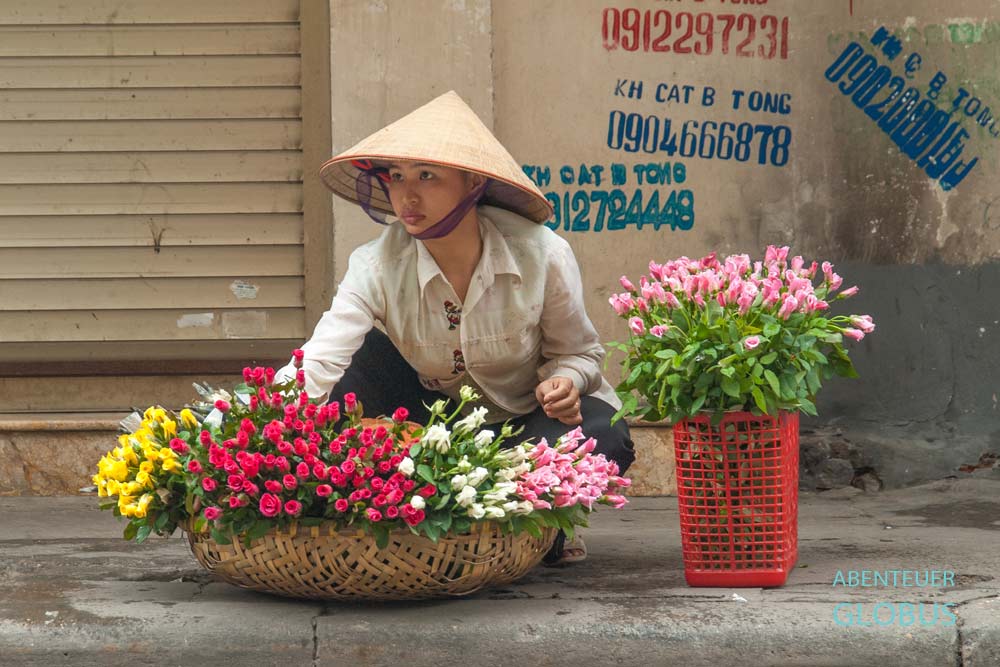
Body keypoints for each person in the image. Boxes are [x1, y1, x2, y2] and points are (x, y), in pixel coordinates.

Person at [277, 91, 634, 564]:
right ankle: (402, 514)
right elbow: (321, 358)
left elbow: (582, 352)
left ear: (470, 183)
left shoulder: (542, 253)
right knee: (354, 365)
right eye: (397, 177)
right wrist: (249, 426)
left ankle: (544, 522)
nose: (407, 195)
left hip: (524, 424)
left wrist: (565, 380)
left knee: (604, 429)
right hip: (426, 422)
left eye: (428, 176)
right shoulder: (374, 265)